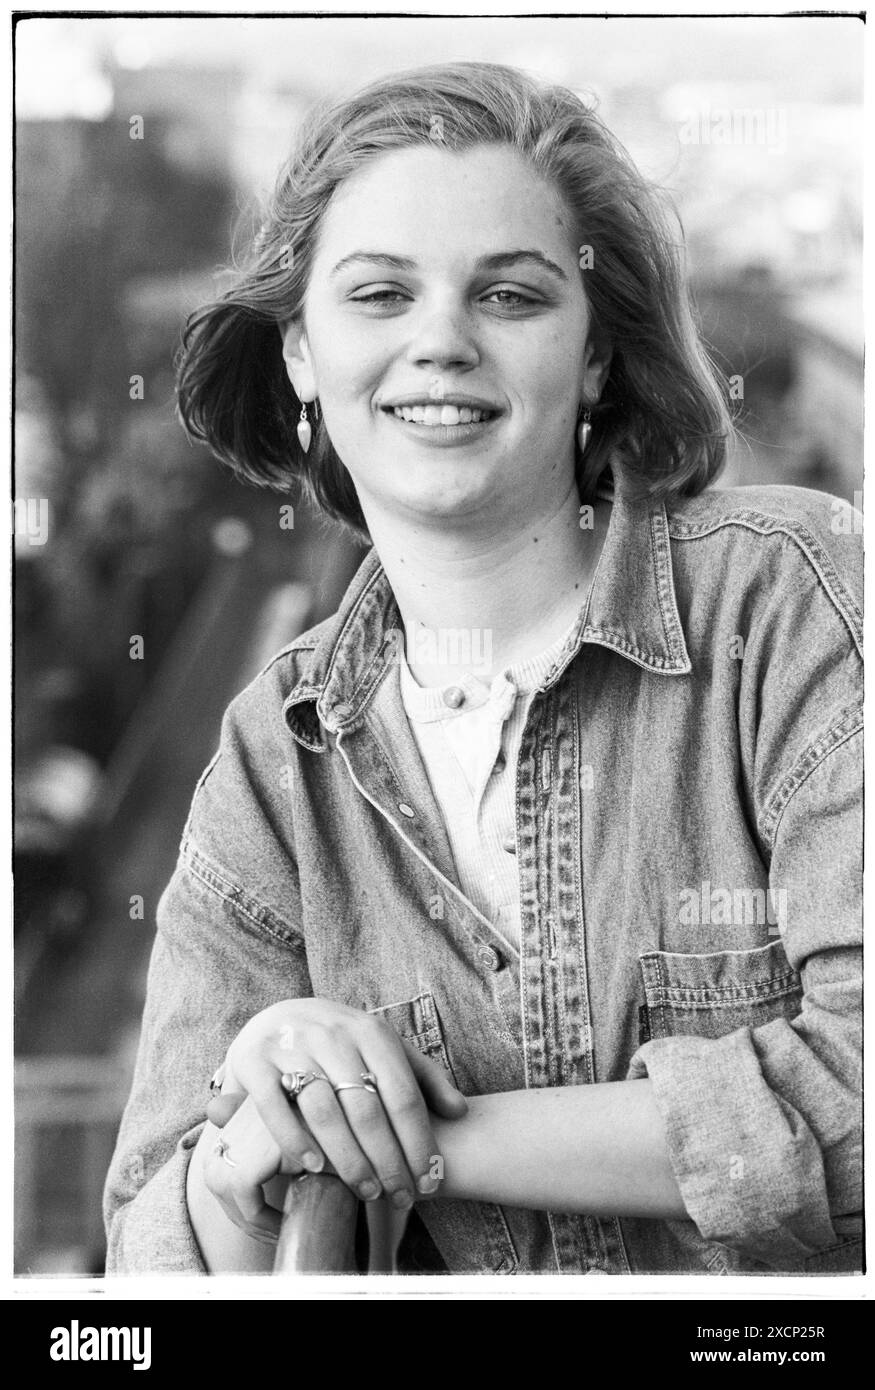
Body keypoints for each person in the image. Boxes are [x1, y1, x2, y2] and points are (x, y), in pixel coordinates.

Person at [103, 62, 862, 1276]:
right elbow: (149, 1252)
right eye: (378, 294)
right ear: (300, 353)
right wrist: (250, 1157)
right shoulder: (268, 763)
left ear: (597, 357)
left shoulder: (792, 601)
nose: (439, 341)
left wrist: (393, 1145)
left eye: (508, 295)